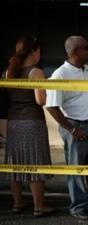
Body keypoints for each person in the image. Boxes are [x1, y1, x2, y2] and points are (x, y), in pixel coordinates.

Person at [46, 36, 88, 220]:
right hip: (75, 127)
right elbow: (51, 106)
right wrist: (72, 130)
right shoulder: (60, 75)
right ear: (75, 52)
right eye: (87, 48)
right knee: (76, 170)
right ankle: (78, 207)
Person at [4, 36, 54, 217]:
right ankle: (38, 206)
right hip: (33, 122)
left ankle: (17, 203)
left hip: (14, 123)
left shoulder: (8, 72)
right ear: (34, 51)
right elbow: (40, 100)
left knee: (15, 162)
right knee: (35, 162)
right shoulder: (35, 72)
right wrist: (46, 91)